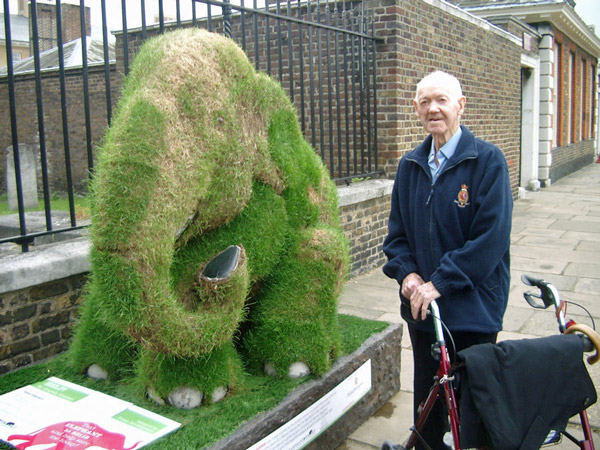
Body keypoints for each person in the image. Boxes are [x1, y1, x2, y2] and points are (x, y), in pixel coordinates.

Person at [382, 70, 513, 450]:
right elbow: (397, 238)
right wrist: (407, 276)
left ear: (460, 105)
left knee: (473, 410)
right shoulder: (409, 166)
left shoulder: (488, 162)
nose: (433, 109)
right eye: (425, 102)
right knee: (428, 404)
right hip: (425, 316)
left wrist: (438, 282)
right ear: (416, 109)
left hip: (472, 311)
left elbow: (490, 241)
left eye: (441, 100)